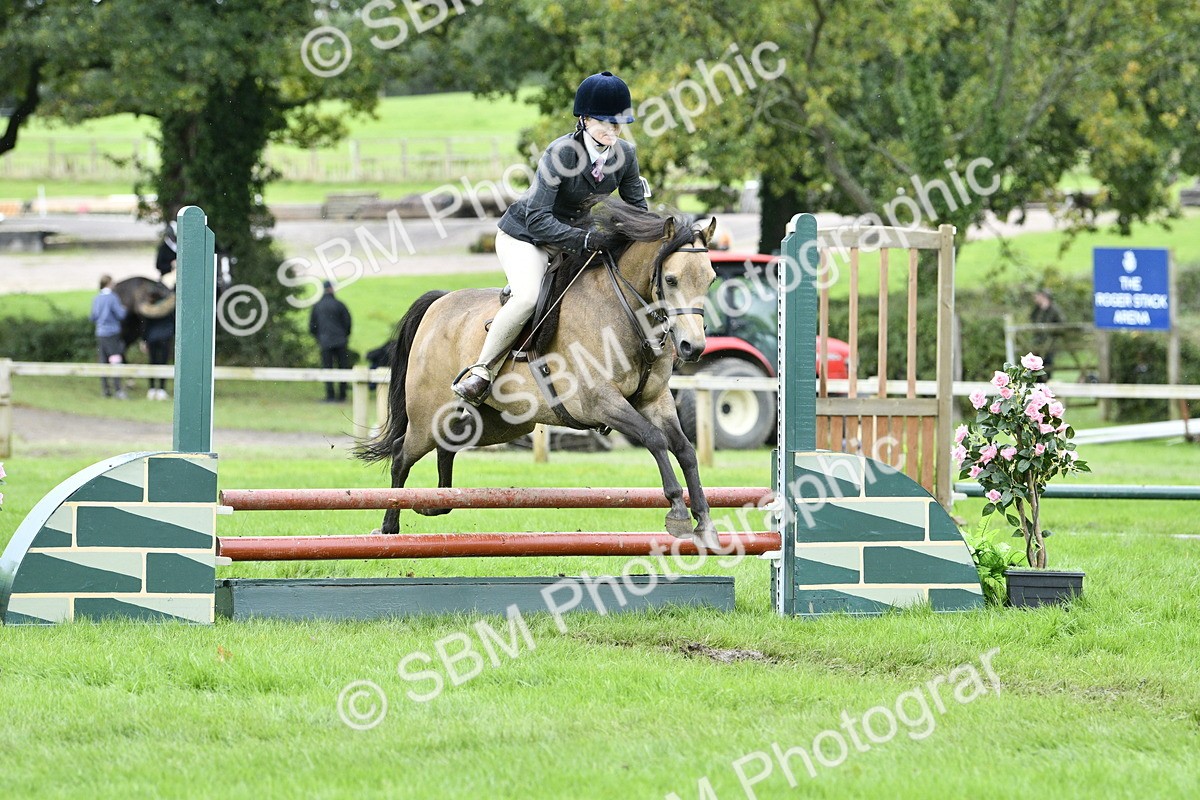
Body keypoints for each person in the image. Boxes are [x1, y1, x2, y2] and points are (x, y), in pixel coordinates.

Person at [450, 71, 648, 405]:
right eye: (605, 123)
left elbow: (638, 210)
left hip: (573, 238)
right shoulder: (561, 154)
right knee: (528, 297)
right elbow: (538, 219)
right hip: (526, 236)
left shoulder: (625, 155)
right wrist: (585, 241)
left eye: (618, 124)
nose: (613, 130)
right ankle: (481, 372)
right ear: (584, 119)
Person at [309, 280, 353, 402]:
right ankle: (342, 395)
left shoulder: (317, 306)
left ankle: (330, 395)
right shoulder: (340, 305)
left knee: (327, 369)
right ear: (332, 289)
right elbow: (348, 322)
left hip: (325, 342)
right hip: (341, 341)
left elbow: (312, 326)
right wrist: (344, 336)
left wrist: (319, 338)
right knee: (343, 368)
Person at [90, 275, 128, 399]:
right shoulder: (112, 298)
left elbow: (93, 316)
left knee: (103, 360)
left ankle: (105, 389)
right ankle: (118, 389)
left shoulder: (96, 298)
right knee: (115, 359)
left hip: (100, 333)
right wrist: (125, 309)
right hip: (112, 333)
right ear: (109, 283)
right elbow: (121, 314)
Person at [1030, 288, 1065, 378]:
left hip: (1050, 340)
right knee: (1036, 361)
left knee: (1048, 360)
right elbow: (1033, 319)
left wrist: (1053, 331)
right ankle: (1038, 379)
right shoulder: (1037, 309)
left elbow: (1061, 323)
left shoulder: (1054, 309)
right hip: (1038, 340)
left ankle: (1047, 379)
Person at [144, 306, 175, 400]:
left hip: (152, 337)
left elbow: (146, 324)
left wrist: (144, 339)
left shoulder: (150, 307)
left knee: (152, 362)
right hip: (165, 337)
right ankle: (161, 389)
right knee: (163, 363)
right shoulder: (169, 306)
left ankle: (152, 388)